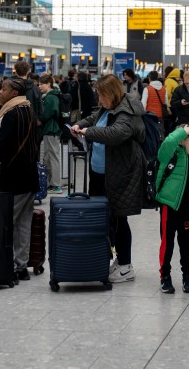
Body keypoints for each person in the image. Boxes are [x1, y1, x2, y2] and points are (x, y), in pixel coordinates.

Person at [71, 74, 146, 284]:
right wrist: (79, 126)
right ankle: (108, 258)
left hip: (120, 173)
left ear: (111, 94)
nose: (99, 100)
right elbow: (94, 119)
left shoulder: (128, 110)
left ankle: (126, 265)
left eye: (101, 96)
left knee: (119, 218)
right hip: (99, 173)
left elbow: (115, 133)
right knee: (104, 219)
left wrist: (88, 132)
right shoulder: (108, 107)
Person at [0, 77, 40, 281]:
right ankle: (21, 266)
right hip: (29, 174)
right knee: (23, 223)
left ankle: (7, 264)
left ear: (13, 94)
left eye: (3, 90)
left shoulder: (11, 114)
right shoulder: (28, 110)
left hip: (14, 175)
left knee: (7, 221)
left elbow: (3, 145)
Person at [155, 124, 189, 294]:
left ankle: (187, 276)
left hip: (186, 206)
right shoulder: (169, 153)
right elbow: (169, 142)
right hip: (169, 206)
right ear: (181, 141)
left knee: (187, 243)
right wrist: (183, 131)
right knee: (168, 243)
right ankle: (165, 276)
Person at [37, 73, 63, 194]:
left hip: (52, 130)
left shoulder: (51, 97)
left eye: (42, 84)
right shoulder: (50, 96)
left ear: (48, 84)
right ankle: (49, 183)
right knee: (48, 157)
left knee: (53, 157)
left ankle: (56, 185)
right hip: (48, 130)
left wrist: (38, 118)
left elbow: (46, 114)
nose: (39, 86)